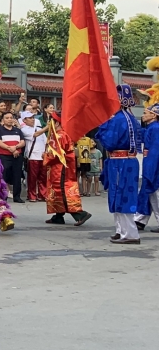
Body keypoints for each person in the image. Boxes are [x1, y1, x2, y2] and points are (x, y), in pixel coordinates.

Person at [98, 85, 143, 244]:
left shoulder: (118, 119)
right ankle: (120, 230)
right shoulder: (129, 118)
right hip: (123, 161)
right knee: (118, 196)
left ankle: (130, 234)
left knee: (122, 197)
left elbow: (109, 142)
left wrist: (102, 126)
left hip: (121, 162)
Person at [43, 113, 91, 227]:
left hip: (61, 168)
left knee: (63, 190)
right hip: (57, 168)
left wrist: (45, 156)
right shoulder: (58, 135)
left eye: (51, 122)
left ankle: (79, 214)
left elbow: (56, 155)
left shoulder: (60, 136)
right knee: (57, 191)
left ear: (57, 123)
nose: (49, 124)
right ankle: (58, 216)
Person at [0, 112, 26, 204]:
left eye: (11, 117)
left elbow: (23, 142)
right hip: (4, 156)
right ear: (3, 120)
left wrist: (15, 148)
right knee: (4, 175)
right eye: (7, 118)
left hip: (17, 156)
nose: (9, 119)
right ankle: (3, 195)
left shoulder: (18, 130)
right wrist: (11, 149)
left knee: (17, 175)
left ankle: (17, 196)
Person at [136, 104, 159, 232]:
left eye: (145, 112)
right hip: (150, 165)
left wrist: (150, 170)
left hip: (153, 167)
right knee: (148, 195)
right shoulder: (151, 128)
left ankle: (140, 219)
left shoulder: (155, 128)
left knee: (155, 196)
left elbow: (155, 151)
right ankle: (140, 220)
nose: (143, 115)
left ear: (154, 115)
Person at [20, 112, 46, 202]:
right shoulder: (24, 129)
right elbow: (35, 135)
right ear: (24, 120)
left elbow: (45, 142)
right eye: (29, 118)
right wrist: (47, 127)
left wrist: (45, 152)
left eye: (33, 117)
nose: (32, 119)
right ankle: (32, 195)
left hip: (42, 156)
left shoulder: (40, 129)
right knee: (32, 178)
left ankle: (42, 195)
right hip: (32, 156)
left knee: (43, 177)